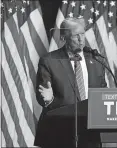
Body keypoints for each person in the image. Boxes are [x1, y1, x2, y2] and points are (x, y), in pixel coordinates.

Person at [34, 17, 107, 148]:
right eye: (76, 36)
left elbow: (103, 93)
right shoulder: (49, 61)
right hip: (59, 133)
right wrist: (48, 100)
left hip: (90, 133)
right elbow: (42, 96)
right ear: (63, 38)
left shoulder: (96, 60)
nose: (81, 40)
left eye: (83, 34)